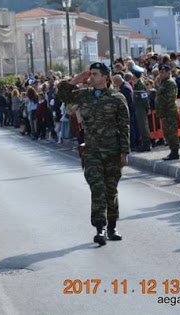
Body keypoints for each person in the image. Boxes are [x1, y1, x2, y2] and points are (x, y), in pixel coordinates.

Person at [56, 63, 130, 246]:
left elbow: (124, 127)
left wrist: (124, 152)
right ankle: (100, 227)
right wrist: (75, 81)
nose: (92, 77)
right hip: (92, 151)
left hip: (112, 151)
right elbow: (61, 96)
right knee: (97, 188)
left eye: (95, 74)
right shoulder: (84, 95)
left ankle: (112, 226)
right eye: (91, 74)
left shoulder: (117, 98)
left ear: (105, 76)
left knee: (111, 190)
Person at [156, 64, 180, 160]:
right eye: (160, 72)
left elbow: (169, 97)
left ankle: (175, 152)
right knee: (167, 132)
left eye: (163, 72)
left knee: (172, 132)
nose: (161, 74)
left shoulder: (170, 83)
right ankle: (172, 150)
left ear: (168, 73)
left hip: (169, 111)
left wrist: (158, 94)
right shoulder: (163, 82)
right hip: (165, 111)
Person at [130, 66, 152, 152]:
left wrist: (147, 108)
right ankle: (144, 143)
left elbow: (144, 98)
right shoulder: (137, 84)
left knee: (143, 126)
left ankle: (147, 144)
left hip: (141, 108)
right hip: (138, 107)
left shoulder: (140, 85)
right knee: (140, 126)